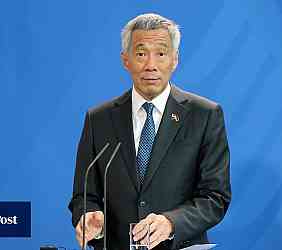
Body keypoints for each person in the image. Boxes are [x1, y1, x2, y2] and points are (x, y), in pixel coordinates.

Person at [68, 13, 231, 250]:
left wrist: (171, 222)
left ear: (174, 59)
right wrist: (90, 216)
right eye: (141, 53)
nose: (150, 65)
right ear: (126, 60)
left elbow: (215, 198)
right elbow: (83, 196)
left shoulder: (204, 115)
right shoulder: (99, 119)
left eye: (161, 53)